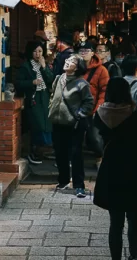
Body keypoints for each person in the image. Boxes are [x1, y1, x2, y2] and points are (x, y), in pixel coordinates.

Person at [93, 78, 137, 260]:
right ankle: (134, 256)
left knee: (115, 221)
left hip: (112, 169)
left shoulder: (100, 115)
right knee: (133, 217)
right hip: (135, 169)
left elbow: (95, 140)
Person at [48, 54, 94, 198]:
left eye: (72, 61)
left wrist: (79, 115)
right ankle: (63, 181)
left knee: (75, 154)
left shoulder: (82, 84)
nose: (67, 62)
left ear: (77, 67)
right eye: (67, 60)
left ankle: (79, 186)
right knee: (60, 152)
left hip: (74, 124)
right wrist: (51, 107)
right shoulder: (58, 79)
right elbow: (52, 95)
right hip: (57, 122)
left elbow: (89, 103)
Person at [15, 41, 54, 165]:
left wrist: (44, 67)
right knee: (37, 125)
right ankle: (32, 151)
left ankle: (41, 150)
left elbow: (51, 81)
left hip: (45, 97)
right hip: (33, 98)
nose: (38, 54)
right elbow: (18, 83)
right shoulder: (25, 66)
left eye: (40, 51)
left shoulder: (44, 65)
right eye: (35, 51)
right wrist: (31, 83)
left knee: (46, 124)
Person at [81, 41, 109, 160]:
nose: (83, 54)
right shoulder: (75, 67)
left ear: (92, 53)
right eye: (81, 51)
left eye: (86, 51)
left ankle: (103, 158)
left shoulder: (101, 70)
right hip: (77, 109)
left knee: (95, 138)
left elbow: (104, 91)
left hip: (93, 109)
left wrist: (98, 108)